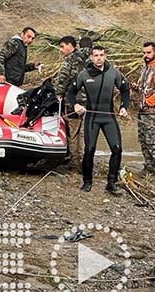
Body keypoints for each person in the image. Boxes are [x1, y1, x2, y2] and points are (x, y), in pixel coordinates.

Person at [66, 46, 131, 195]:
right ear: (91, 57)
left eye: (101, 55)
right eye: (96, 55)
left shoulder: (113, 72)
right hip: (92, 118)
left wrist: (123, 107)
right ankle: (87, 182)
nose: (99, 58)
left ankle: (111, 183)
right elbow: (70, 92)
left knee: (117, 149)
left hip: (109, 117)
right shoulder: (84, 74)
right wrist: (75, 104)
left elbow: (125, 90)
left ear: (105, 56)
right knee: (89, 150)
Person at [53, 35, 91, 164]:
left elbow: (63, 79)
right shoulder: (92, 59)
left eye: (62, 46)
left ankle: (75, 162)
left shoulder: (71, 59)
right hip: (89, 102)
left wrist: (58, 93)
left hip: (72, 101)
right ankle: (84, 160)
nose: (61, 50)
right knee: (84, 133)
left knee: (73, 133)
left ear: (70, 45)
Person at [134, 40, 155, 180]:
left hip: (153, 111)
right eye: (144, 53)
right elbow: (145, 88)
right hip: (143, 110)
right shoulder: (145, 67)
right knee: (142, 139)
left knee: (150, 141)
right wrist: (136, 88)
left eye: (148, 52)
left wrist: (148, 102)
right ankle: (149, 167)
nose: (146, 55)